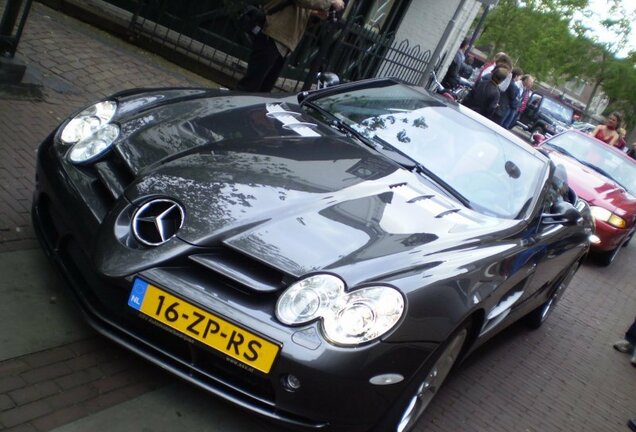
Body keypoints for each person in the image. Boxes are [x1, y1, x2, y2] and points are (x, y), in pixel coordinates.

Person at [236, 0, 345, 92]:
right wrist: (330, 2)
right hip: (273, 35)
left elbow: (299, 12)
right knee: (250, 85)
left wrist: (315, 15)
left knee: (264, 89)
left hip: (285, 42)